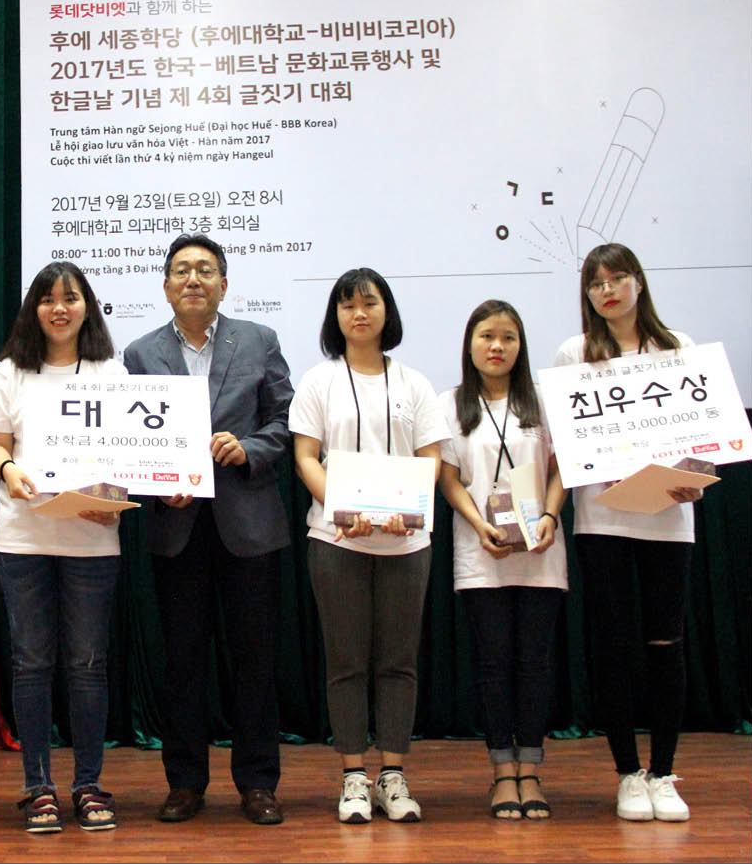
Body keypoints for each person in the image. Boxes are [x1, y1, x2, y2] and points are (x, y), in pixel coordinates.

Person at [122, 233, 293, 826]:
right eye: (181, 270)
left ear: (224, 283)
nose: (193, 279)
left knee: (255, 661)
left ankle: (258, 783)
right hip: (178, 526)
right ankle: (185, 782)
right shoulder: (140, 354)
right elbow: (132, 442)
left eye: (204, 269)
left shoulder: (260, 340)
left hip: (249, 524)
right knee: (182, 662)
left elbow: (284, 421)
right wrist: (155, 482)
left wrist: (248, 449)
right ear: (166, 286)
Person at [289, 267, 449, 824]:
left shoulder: (414, 383)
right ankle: (354, 776)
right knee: (346, 662)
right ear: (335, 316)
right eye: (347, 305)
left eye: (370, 303)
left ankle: (393, 775)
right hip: (337, 540)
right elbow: (305, 457)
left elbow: (431, 458)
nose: (359, 313)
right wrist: (340, 507)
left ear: (387, 312)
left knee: (399, 663)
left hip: (407, 543)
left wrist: (412, 509)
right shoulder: (318, 381)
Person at [554, 243, 701, 822]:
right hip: (604, 517)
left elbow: (701, 431)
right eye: (596, 283)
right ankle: (627, 774)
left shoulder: (678, 347)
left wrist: (694, 475)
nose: (607, 290)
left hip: (668, 516)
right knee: (612, 644)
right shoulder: (575, 353)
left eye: (617, 278)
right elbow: (566, 440)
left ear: (639, 283)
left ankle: (663, 772)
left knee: (666, 643)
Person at [0, 262, 126, 833]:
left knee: (88, 665)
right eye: (47, 299)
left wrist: (114, 498)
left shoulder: (111, 370)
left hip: (93, 537)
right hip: (24, 535)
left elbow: (129, 455)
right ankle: (38, 787)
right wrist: (8, 470)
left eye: (70, 298)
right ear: (33, 309)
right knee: (32, 663)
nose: (59, 309)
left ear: (88, 306)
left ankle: (88, 784)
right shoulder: (10, 371)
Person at [436, 300, 567, 820]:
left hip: (540, 549)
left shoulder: (542, 401)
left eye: (508, 337)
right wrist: (478, 524)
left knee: (534, 663)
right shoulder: (451, 404)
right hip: (480, 549)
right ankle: (501, 773)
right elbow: (449, 479)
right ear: (469, 344)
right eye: (487, 336)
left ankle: (530, 770)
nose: (497, 346)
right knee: (492, 665)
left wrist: (550, 517)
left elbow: (560, 468)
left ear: (521, 346)